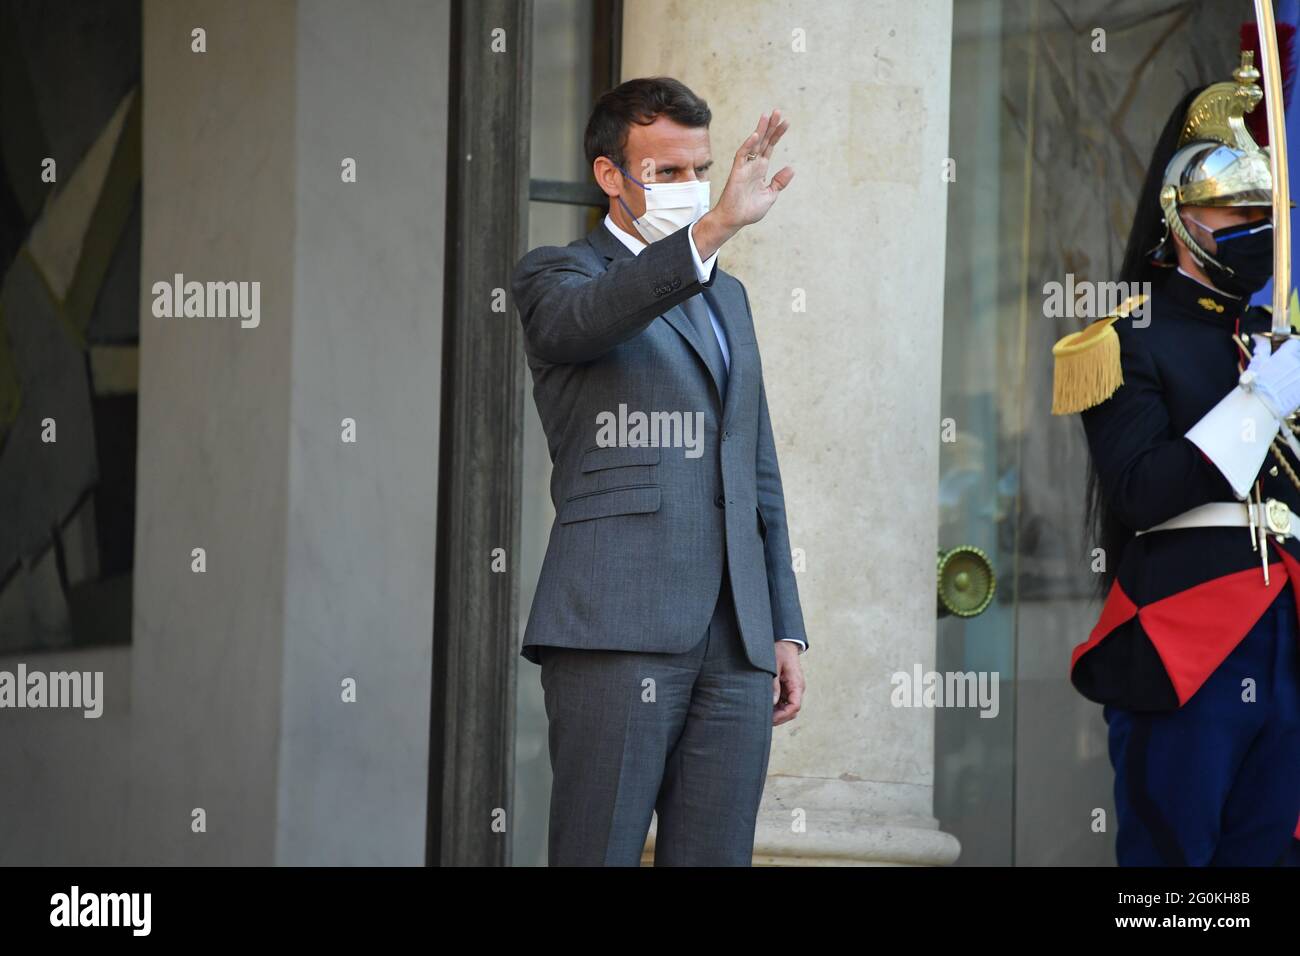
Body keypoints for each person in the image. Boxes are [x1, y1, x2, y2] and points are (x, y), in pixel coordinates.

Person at [511, 77, 807, 866]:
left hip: (735, 635)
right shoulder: (555, 276)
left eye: (699, 171)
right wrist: (709, 231)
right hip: (617, 624)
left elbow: (756, 468)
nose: (689, 189)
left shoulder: (729, 298)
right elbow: (594, 320)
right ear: (610, 176)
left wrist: (781, 623)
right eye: (666, 173)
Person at [1052, 52, 1300, 866]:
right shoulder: (1126, 338)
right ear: (1180, 218)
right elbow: (1142, 491)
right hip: (1189, 631)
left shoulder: (1276, 342)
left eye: (1266, 209)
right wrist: (1258, 403)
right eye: (1234, 211)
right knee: (1175, 869)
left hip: (1286, 631)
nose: (1256, 226)